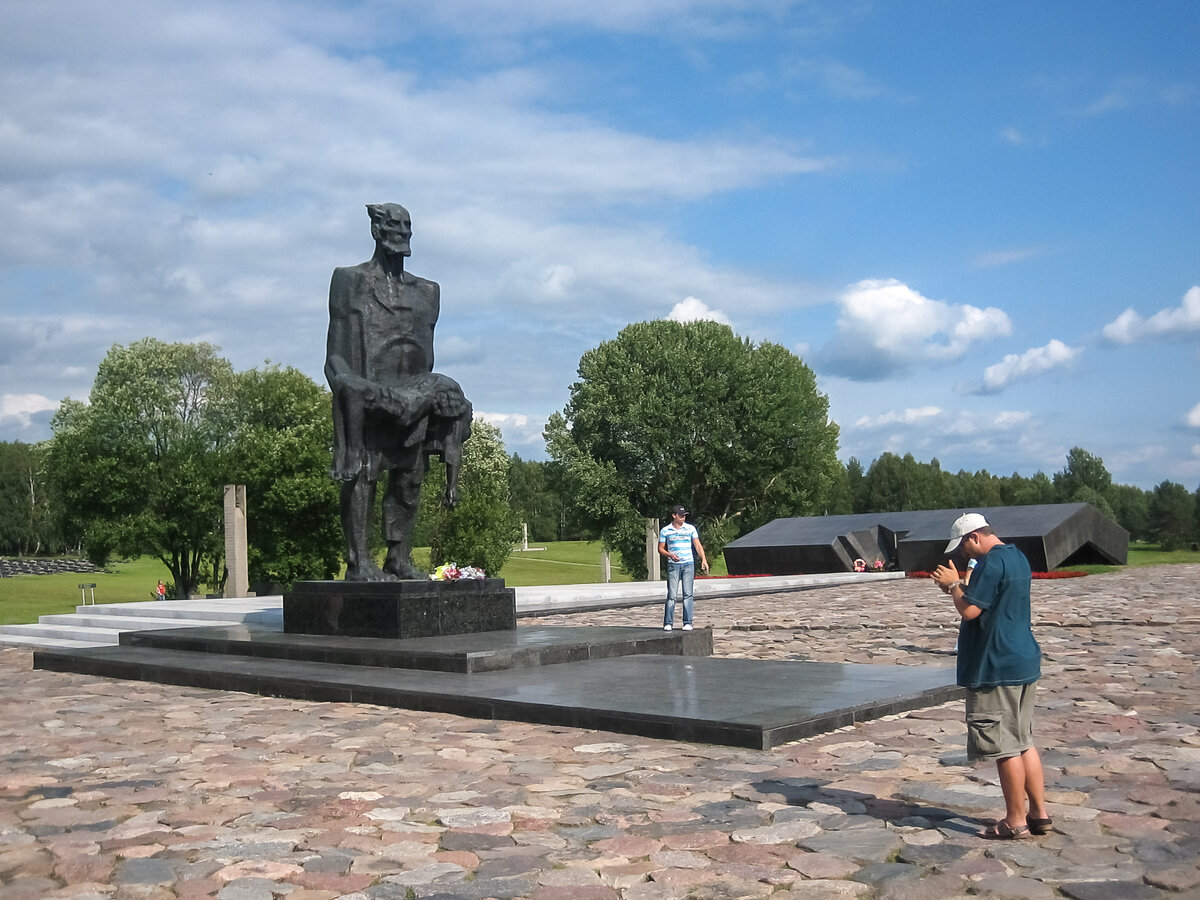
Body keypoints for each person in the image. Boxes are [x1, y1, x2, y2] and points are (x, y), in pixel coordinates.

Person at [325, 203, 473, 581]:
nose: (402, 233)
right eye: (394, 225)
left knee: (409, 479)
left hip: (416, 399)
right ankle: (360, 562)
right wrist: (347, 388)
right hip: (368, 396)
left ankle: (399, 557)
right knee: (362, 474)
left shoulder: (428, 291)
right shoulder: (349, 280)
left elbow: (427, 353)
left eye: (407, 226)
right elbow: (336, 356)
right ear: (376, 230)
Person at [931, 513, 1051, 840]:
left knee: (1004, 746)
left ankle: (1015, 820)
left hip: (995, 664)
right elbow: (986, 598)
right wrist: (960, 588)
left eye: (964, 547)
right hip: (1023, 660)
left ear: (974, 537)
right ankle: (1039, 813)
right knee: (1024, 740)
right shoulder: (1017, 558)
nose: (964, 554)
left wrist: (953, 585)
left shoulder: (990, 563)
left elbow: (970, 610)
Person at [658, 505, 709, 631]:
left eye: (684, 515)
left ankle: (688, 622)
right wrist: (670, 555)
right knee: (672, 594)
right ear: (674, 516)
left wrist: (703, 559)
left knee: (688, 594)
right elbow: (660, 548)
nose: (683, 518)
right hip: (673, 565)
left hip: (688, 564)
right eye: (681, 516)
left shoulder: (690, 528)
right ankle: (668, 622)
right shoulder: (666, 530)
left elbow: (697, 545)